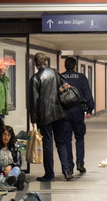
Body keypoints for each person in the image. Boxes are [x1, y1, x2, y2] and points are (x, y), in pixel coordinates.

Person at [27, 52, 73, 181]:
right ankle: (67, 170)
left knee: (47, 144)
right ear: (45, 61)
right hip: (59, 113)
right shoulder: (55, 73)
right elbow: (64, 88)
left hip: (44, 115)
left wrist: (34, 120)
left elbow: (34, 101)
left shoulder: (35, 78)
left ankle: (49, 174)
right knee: (61, 142)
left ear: (36, 64)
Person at [60, 56, 95, 173]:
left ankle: (69, 167)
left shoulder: (60, 77)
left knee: (67, 140)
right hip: (78, 111)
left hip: (64, 112)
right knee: (79, 138)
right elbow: (88, 95)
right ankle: (80, 163)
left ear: (65, 66)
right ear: (75, 66)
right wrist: (90, 109)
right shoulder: (81, 77)